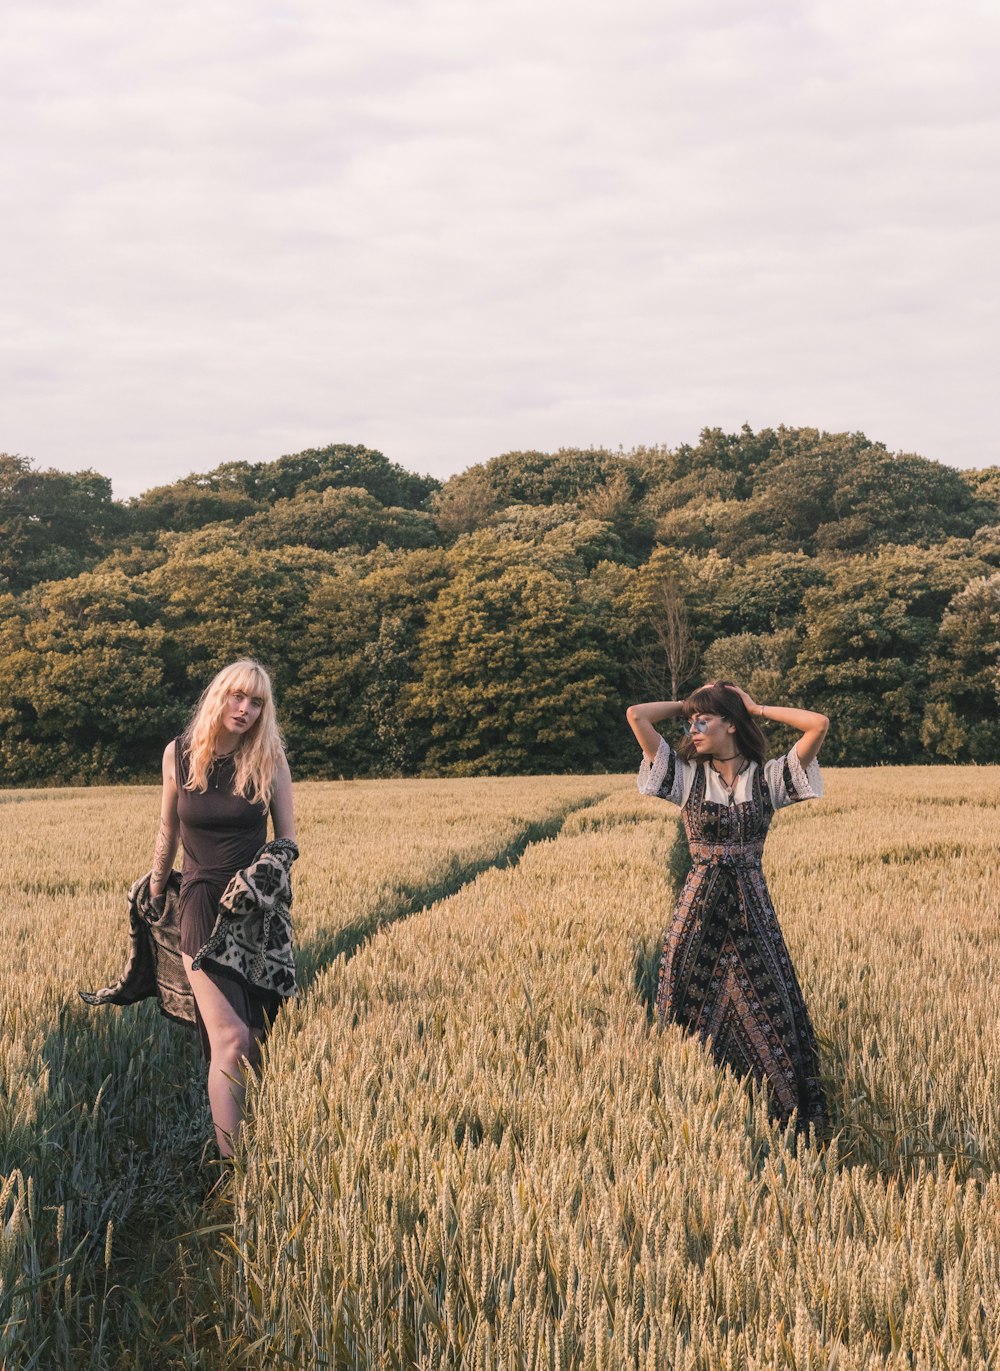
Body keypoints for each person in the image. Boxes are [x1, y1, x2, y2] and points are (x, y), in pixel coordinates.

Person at [627, 680, 828, 1134]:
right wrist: (690, 703)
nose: (693, 729)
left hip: (752, 910)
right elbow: (637, 714)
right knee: (686, 1010)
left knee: (771, 1005)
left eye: (704, 720)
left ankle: (781, 1122)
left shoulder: (770, 777)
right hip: (696, 912)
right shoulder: (684, 776)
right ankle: (695, 1121)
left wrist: (754, 706)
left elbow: (817, 724)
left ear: (732, 726)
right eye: (690, 722)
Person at [149, 659, 296, 1157]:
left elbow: (288, 842)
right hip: (201, 904)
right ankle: (233, 1168)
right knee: (231, 1037)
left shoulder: (270, 759)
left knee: (255, 1039)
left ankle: (256, 1137)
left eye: (257, 702)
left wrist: (263, 877)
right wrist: (153, 889)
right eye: (238, 696)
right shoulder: (179, 754)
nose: (246, 709)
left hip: (254, 911)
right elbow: (168, 830)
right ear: (219, 695)